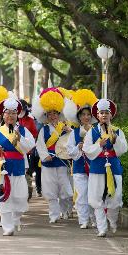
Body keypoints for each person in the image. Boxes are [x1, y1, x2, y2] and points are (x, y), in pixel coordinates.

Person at [0, 98, 35, 236]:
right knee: (5, 197)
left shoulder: (23, 131)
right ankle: (7, 226)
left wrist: (20, 138)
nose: (10, 116)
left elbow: (30, 145)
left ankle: (15, 219)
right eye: (7, 113)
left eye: (13, 113)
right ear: (3, 115)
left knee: (21, 196)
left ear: (17, 115)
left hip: (19, 167)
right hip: (2, 168)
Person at [82, 99, 128, 237]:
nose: (104, 115)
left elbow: (123, 149)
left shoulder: (118, 131)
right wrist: (99, 145)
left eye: (106, 113)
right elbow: (86, 149)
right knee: (96, 198)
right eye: (101, 113)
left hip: (113, 166)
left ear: (111, 115)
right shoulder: (92, 131)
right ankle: (102, 227)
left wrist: (116, 141)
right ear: (97, 115)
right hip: (97, 167)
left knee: (115, 197)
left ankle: (112, 220)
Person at [34, 88, 73, 223]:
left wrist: (69, 131)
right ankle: (53, 215)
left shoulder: (65, 128)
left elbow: (71, 142)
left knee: (64, 188)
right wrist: (45, 156)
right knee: (50, 189)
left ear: (59, 113)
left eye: (55, 113)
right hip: (49, 162)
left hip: (62, 161)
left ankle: (65, 210)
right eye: (49, 114)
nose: (52, 116)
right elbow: (40, 145)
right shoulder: (43, 129)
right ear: (46, 115)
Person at [65, 89, 98, 229]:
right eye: (83, 114)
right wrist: (78, 148)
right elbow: (69, 149)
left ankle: (95, 218)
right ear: (79, 117)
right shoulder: (75, 133)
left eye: (88, 114)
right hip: (79, 167)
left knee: (94, 194)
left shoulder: (96, 131)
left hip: (94, 167)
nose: (85, 117)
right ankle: (83, 219)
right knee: (82, 194)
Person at [18, 99, 38, 201]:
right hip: (17, 151)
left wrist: (26, 140)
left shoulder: (30, 121)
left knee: (28, 172)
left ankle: (29, 189)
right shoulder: (14, 120)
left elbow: (34, 134)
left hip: (29, 151)